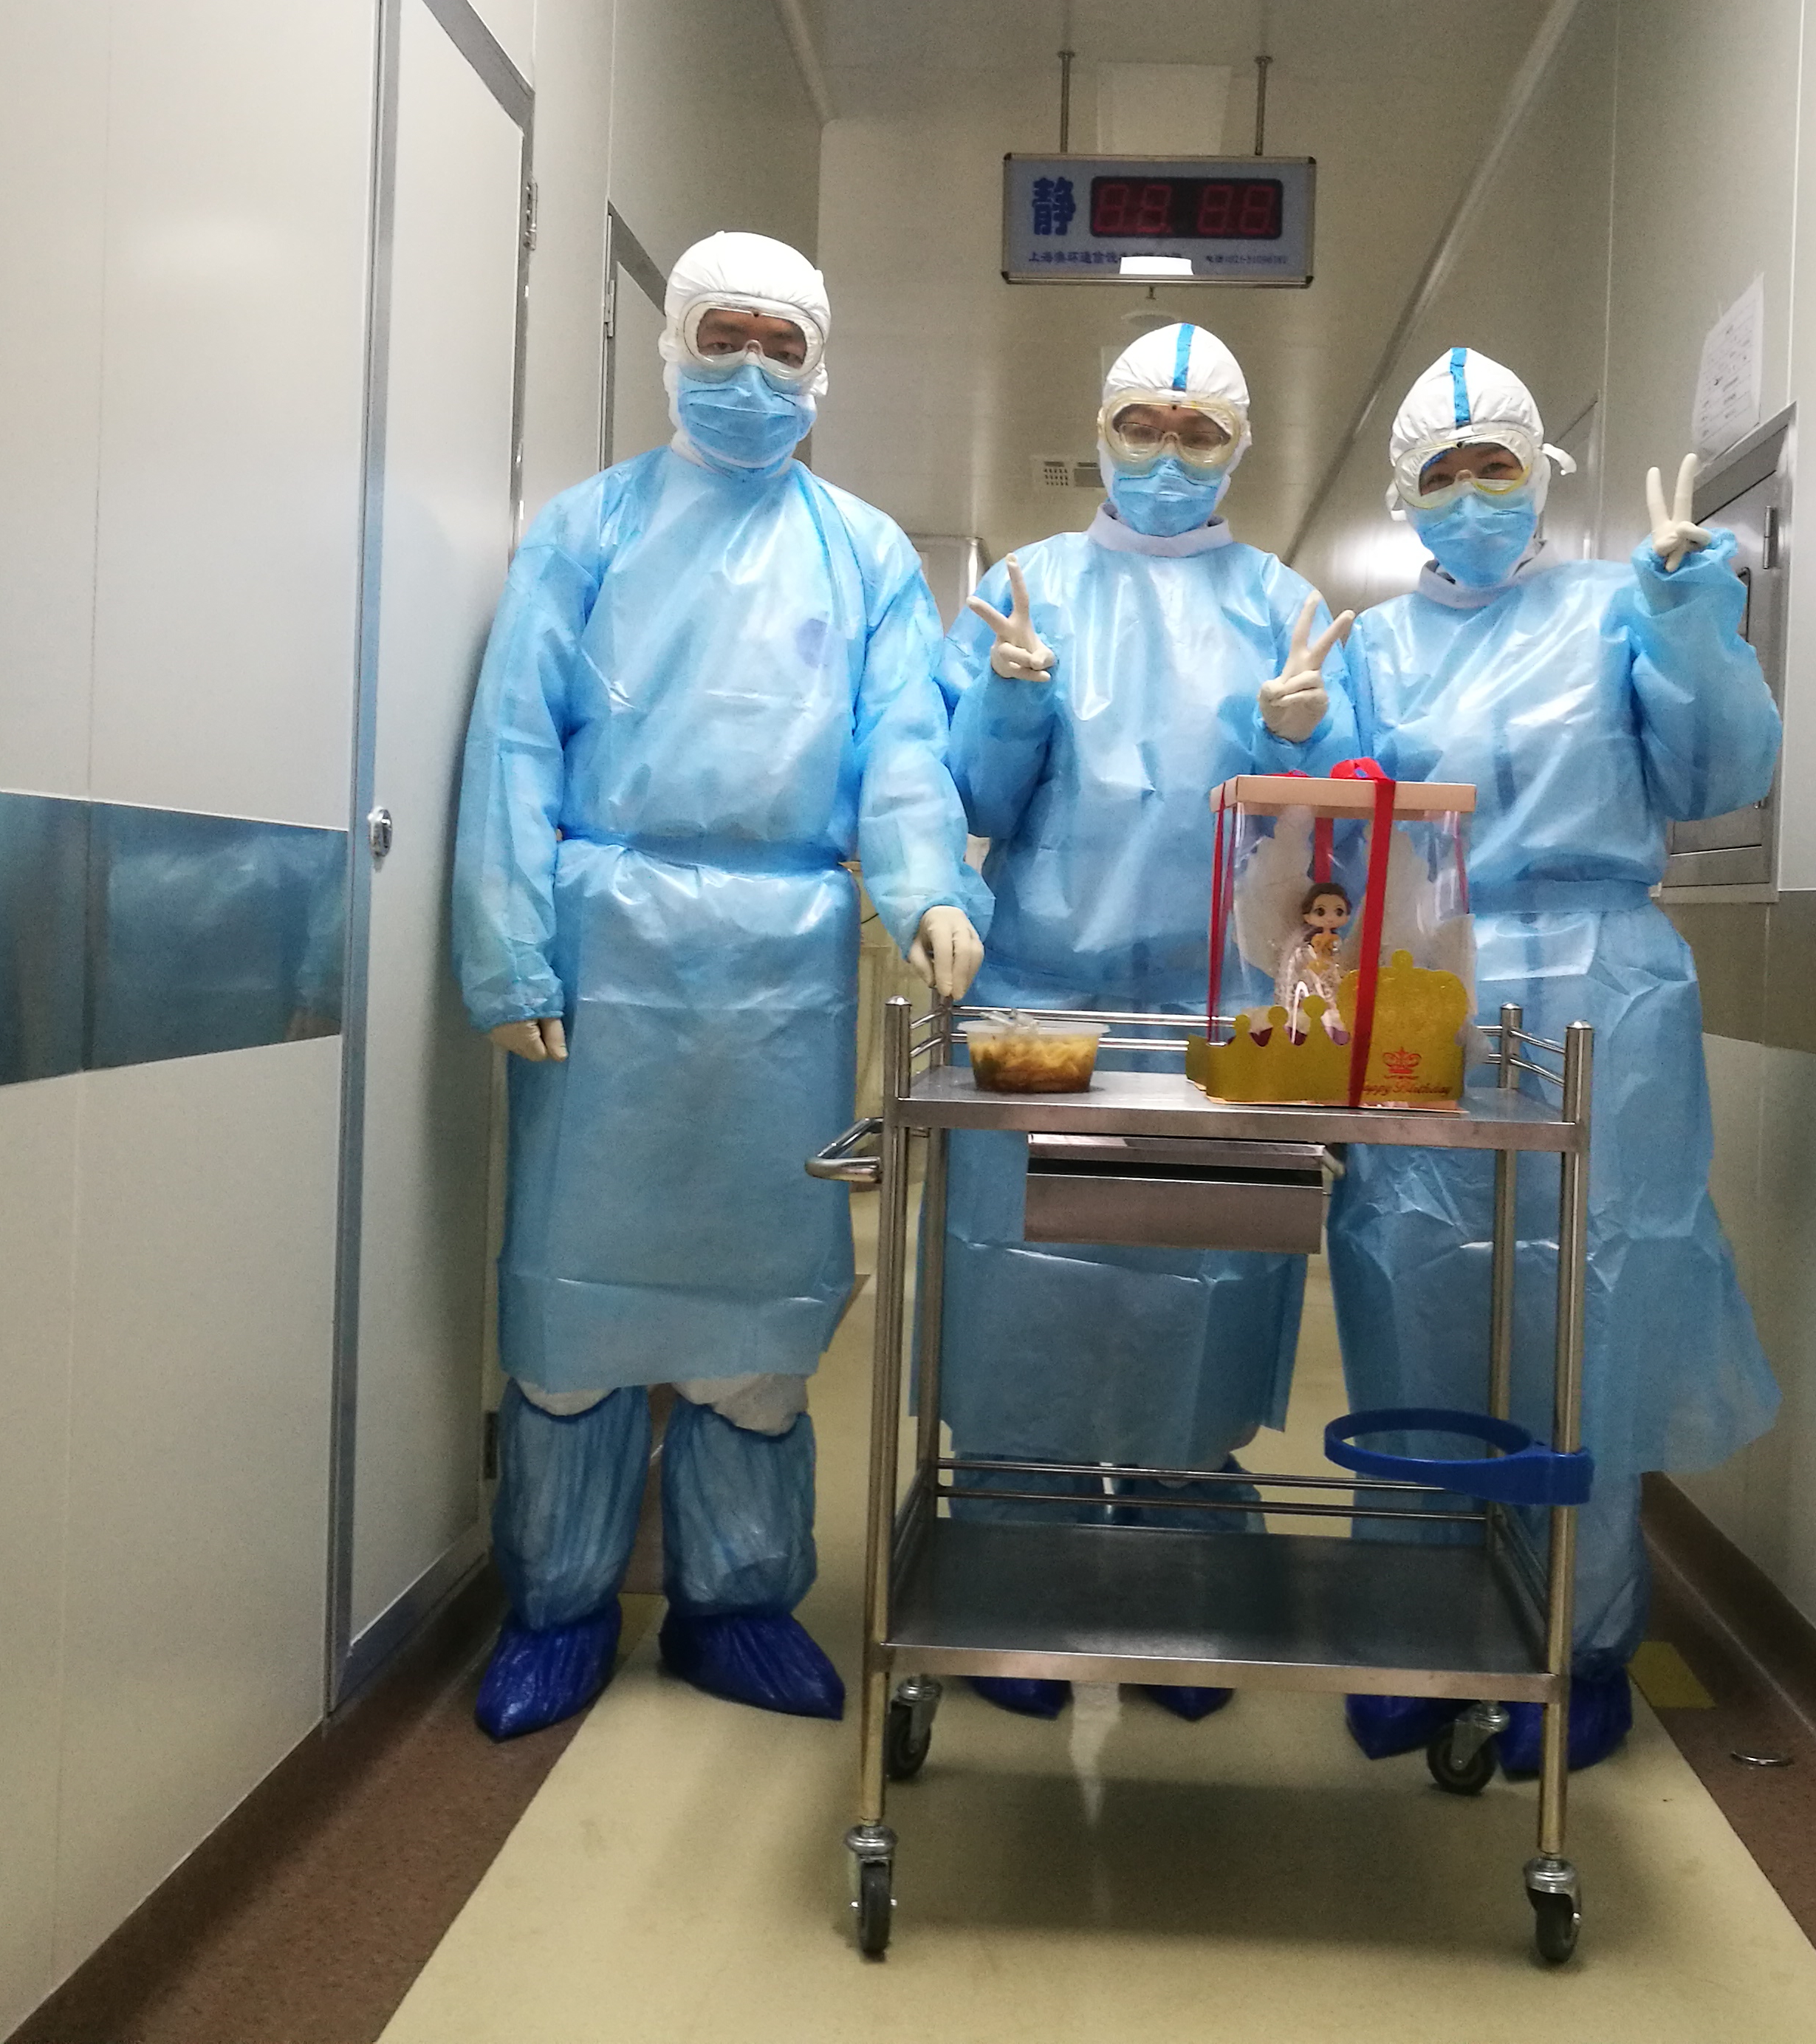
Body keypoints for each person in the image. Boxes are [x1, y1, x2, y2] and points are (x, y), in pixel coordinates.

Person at [451, 231, 987, 1740]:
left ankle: (735, 1606)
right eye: (723, 336)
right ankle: (557, 1608)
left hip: (784, 966)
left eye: (780, 343)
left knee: (758, 1316)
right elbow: (514, 742)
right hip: (604, 950)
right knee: (574, 1305)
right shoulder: (588, 528)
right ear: (674, 343)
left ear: (819, 366)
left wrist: (929, 887)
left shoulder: (864, 553)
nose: (750, 370)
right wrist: (508, 947)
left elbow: (901, 744)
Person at [1329, 347, 1781, 1777]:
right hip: (1424, 988)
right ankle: (1415, 1635)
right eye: (1444, 471)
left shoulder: (1615, 606)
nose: (1473, 493)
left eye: (1497, 466)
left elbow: (1721, 775)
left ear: (1542, 477)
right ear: (1405, 494)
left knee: (1591, 1311)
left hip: (1604, 992)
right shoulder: (1367, 649)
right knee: (1417, 1295)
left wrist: (1692, 613)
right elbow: (1326, 843)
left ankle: (1580, 1646)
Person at [933, 322, 1355, 1723]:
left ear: (1241, 449)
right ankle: (1013, 1599)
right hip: (1040, 1009)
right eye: (1142, 425)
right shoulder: (1025, 589)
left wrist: (1297, 743)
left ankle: (1183, 1594)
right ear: (1100, 430)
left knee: (1198, 1303)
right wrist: (1009, 708)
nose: (1168, 453)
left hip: (1218, 1021)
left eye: (1199, 431)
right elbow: (974, 805)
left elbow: (1336, 848)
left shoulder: (1285, 605)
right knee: (1028, 1300)